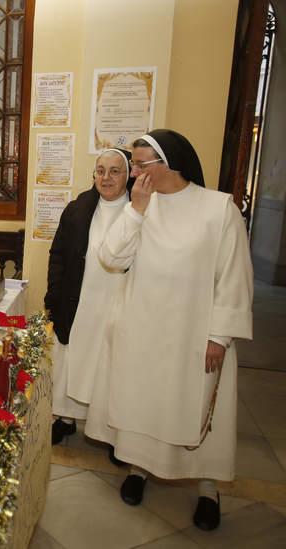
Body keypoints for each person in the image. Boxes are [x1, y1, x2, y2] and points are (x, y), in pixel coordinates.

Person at [87, 129, 253, 531]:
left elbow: (234, 277)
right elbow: (112, 257)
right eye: (136, 165)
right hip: (143, 329)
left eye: (143, 165)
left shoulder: (218, 209)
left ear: (171, 163)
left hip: (193, 333)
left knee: (194, 407)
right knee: (143, 402)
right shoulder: (141, 206)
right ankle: (139, 471)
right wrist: (137, 210)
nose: (136, 174)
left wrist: (220, 335)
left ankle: (207, 488)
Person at [45, 149, 134, 447]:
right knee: (71, 361)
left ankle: (110, 433)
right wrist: (53, 295)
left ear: (129, 174)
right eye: (100, 170)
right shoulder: (78, 208)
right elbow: (57, 254)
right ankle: (66, 418)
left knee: (108, 365)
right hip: (78, 299)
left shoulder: (140, 209)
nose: (105, 178)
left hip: (117, 302)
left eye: (114, 171)